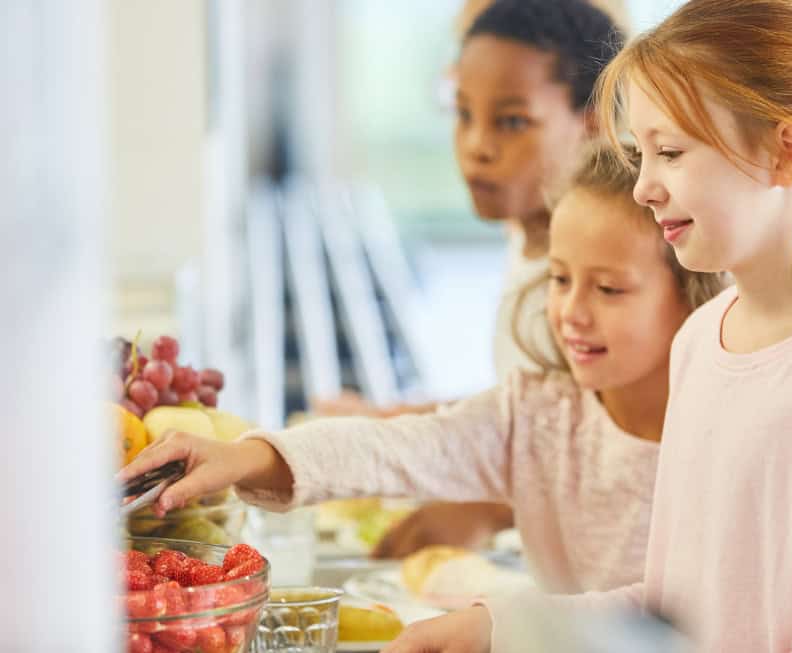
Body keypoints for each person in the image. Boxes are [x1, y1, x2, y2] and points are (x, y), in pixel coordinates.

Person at [381, 0, 792, 651]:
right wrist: (498, 627)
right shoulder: (700, 339)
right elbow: (670, 611)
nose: (642, 187)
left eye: (669, 151)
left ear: (786, 153)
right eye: (641, 153)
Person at [120, 144, 727, 596]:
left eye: (610, 289)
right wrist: (240, 457)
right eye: (561, 279)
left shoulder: (725, 430)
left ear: (693, 293)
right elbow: (392, 449)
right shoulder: (536, 414)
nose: (571, 312)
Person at [317, 0, 629, 559]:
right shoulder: (527, 236)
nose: (476, 146)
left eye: (511, 121)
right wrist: (388, 421)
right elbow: (533, 407)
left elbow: (620, 449)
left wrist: (486, 507)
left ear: (594, 123)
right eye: (463, 115)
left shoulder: (604, 281)